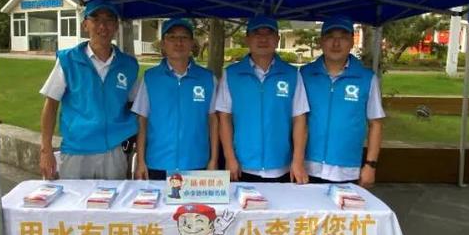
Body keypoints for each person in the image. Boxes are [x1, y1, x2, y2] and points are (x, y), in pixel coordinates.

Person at [39, 0, 138, 180]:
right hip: (76, 151)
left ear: (116, 26)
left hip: (113, 151)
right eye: (96, 19)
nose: (103, 26)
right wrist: (46, 150)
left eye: (109, 20)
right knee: (74, 199)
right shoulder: (68, 60)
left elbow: (136, 106)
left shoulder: (129, 65)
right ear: (85, 25)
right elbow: (51, 104)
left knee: (114, 198)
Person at [216, 15, 308, 183]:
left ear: (277, 39)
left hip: (281, 166)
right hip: (242, 166)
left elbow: (299, 119)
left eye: (269, 33)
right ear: (247, 39)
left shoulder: (292, 75)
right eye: (257, 33)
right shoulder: (231, 74)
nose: (263, 39)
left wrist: (297, 161)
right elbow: (224, 118)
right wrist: (229, 158)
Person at [300, 16, 383, 187]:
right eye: (330, 37)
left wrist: (370, 165)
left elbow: (375, 124)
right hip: (307, 167)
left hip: (347, 169)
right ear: (321, 41)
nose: (336, 43)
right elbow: (297, 120)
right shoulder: (305, 74)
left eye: (343, 37)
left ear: (352, 42)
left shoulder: (367, 78)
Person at [133, 17, 218, 180]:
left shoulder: (207, 78)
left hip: (196, 162)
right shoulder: (150, 78)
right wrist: (141, 161)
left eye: (184, 37)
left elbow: (213, 120)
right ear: (163, 44)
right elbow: (142, 120)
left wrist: (213, 160)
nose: (178, 42)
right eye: (172, 37)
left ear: (192, 43)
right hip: (158, 162)